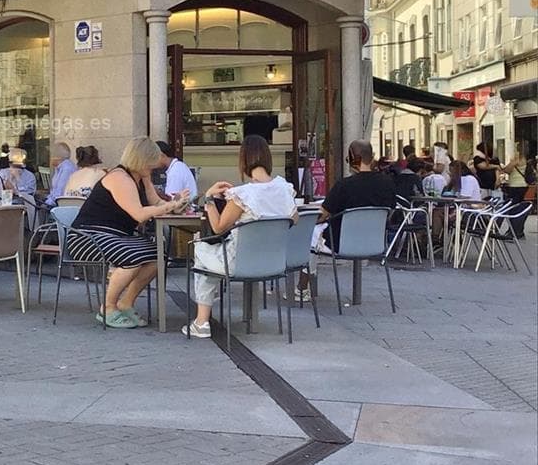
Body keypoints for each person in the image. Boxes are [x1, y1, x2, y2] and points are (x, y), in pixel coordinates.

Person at [66, 137, 190, 329]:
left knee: (157, 256)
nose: (155, 167)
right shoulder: (119, 177)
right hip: (87, 237)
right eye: (151, 163)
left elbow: (155, 203)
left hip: (115, 235)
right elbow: (139, 214)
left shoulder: (142, 176)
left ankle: (125, 303)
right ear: (141, 160)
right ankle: (107, 308)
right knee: (132, 256)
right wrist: (170, 206)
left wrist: (176, 205)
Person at [187, 135, 296, 338]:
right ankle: (216, 312)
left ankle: (202, 321)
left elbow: (218, 227)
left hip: (240, 262)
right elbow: (294, 220)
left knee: (201, 247)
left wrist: (209, 200)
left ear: (243, 160)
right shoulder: (285, 189)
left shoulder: (243, 194)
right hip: (273, 262)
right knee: (211, 254)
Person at [318, 140, 397, 256]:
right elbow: (390, 212)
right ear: (372, 157)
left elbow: (322, 215)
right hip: (376, 244)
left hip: (341, 245)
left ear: (351, 159)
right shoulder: (388, 183)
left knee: (311, 235)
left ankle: (309, 274)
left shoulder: (343, 185)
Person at [503, 142, 531, 239]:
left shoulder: (518, 158)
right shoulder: (527, 159)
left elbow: (507, 170)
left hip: (515, 186)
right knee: (520, 209)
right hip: (524, 185)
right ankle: (518, 231)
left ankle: (514, 231)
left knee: (512, 209)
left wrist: (508, 165)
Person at [44, 142, 77, 208]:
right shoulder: (59, 167)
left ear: (57, 157)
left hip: (62, 206)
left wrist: (46, 203)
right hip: (56, 202)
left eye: (51, 155)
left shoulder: (67, 169)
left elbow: (60, 193)